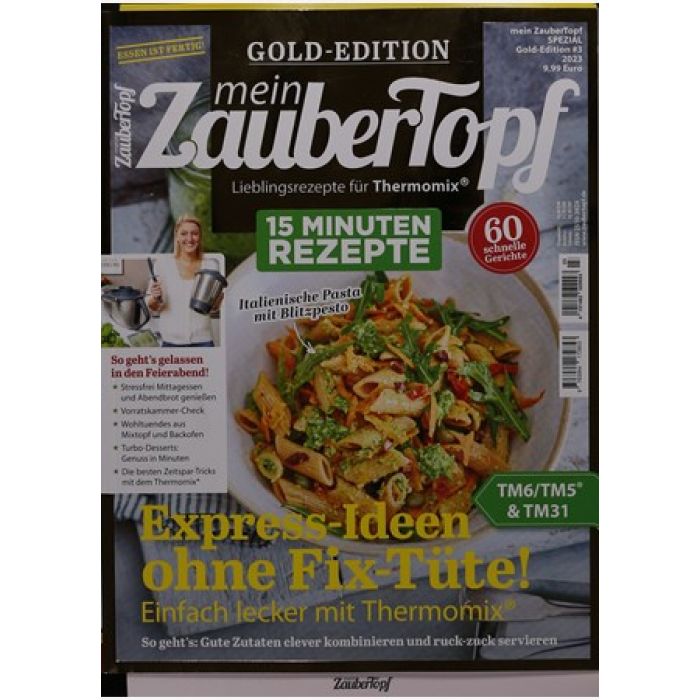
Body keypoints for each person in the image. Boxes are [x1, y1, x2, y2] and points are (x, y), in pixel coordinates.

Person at [145, 215, 220, 347]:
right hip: (171, 342)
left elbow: (213, 309)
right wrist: (155, 298)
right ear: (177, 237)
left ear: (200, 237)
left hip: (203, 341)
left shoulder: (211, 266)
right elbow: (152, 306)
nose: (189, 239)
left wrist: (218, 300)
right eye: (184, 233)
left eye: (194, 234)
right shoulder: (162, 265)